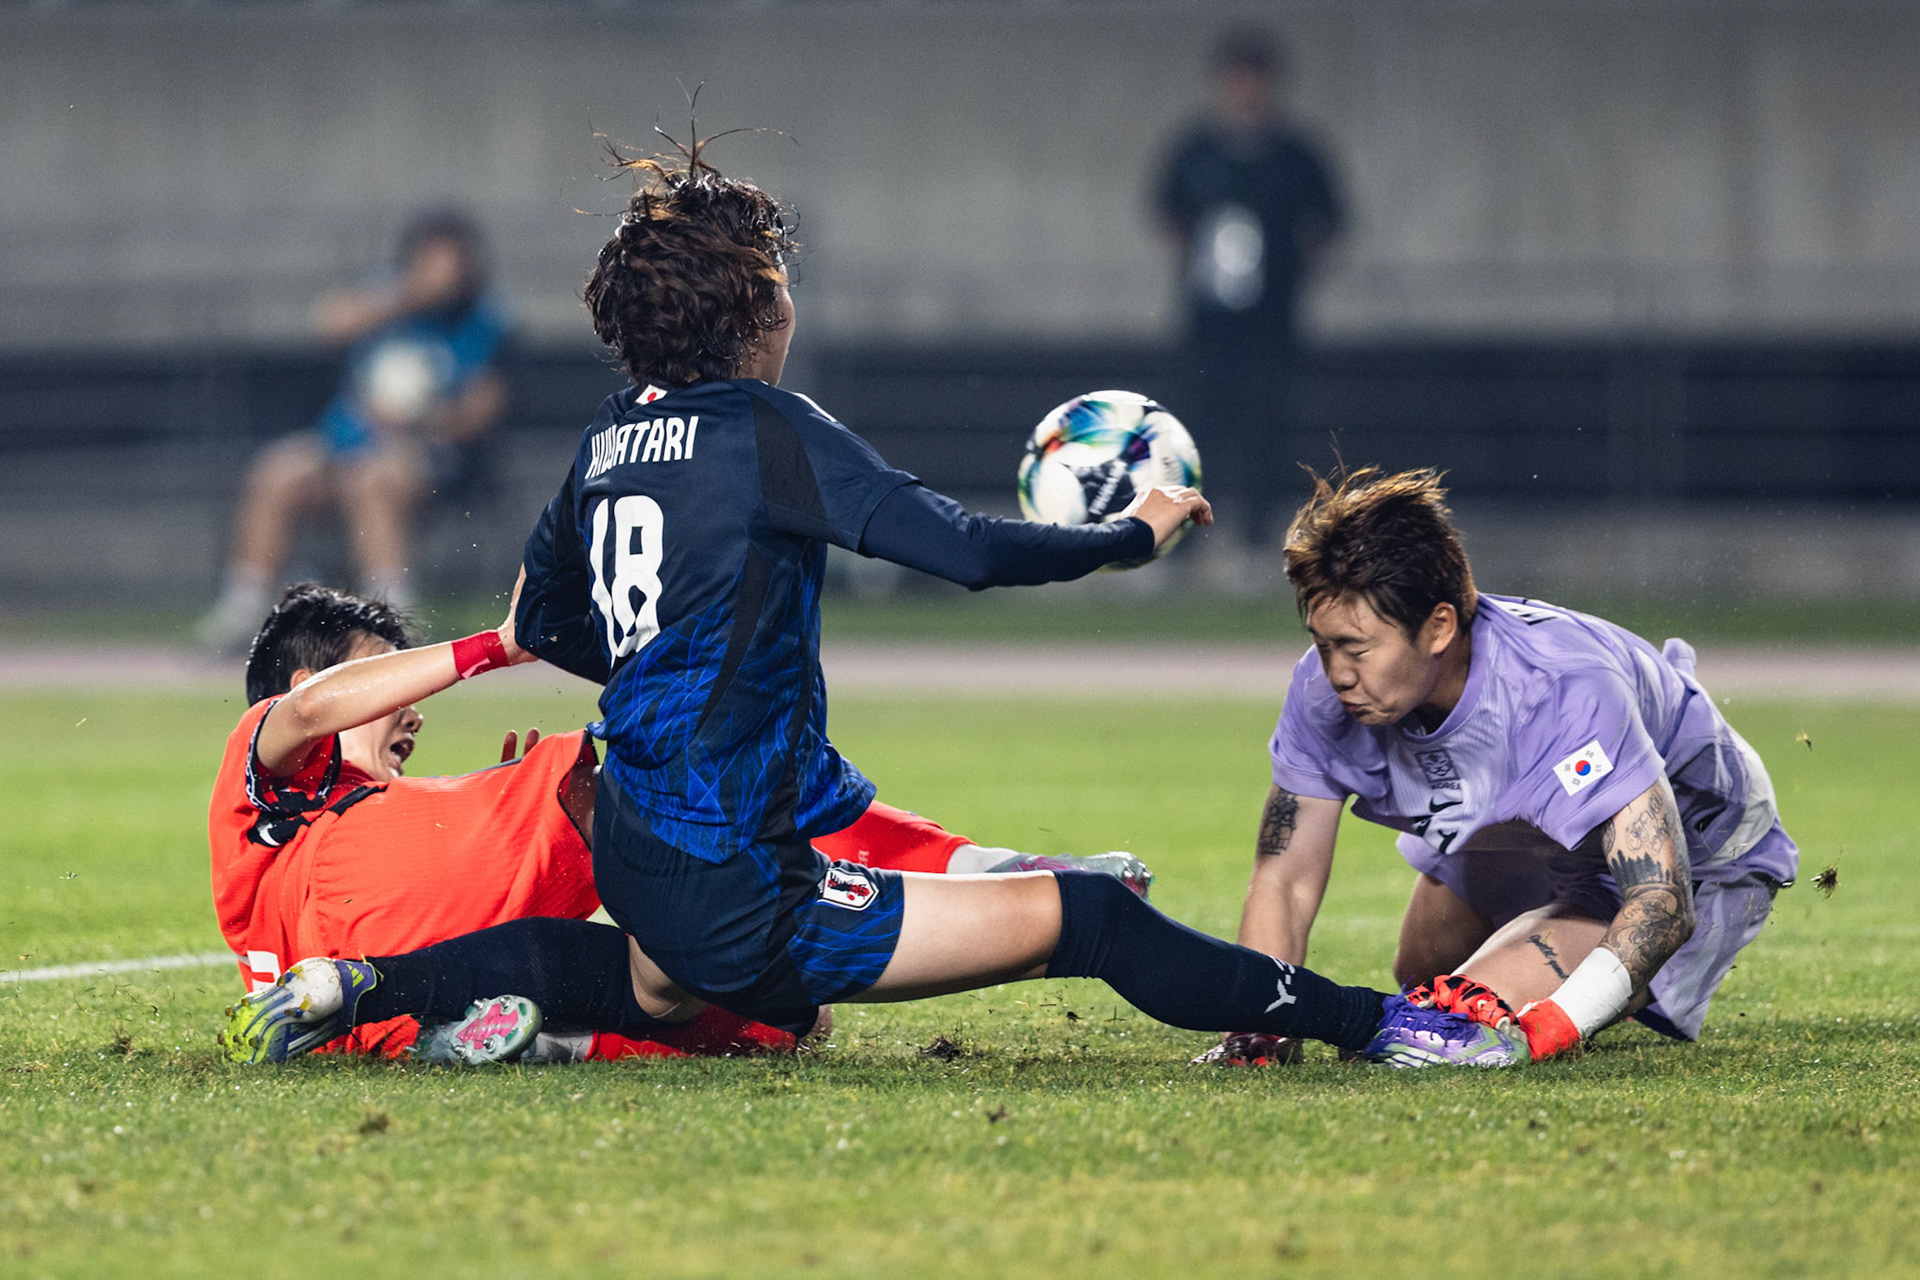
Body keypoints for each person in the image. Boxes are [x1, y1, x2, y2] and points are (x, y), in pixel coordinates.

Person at [222, 142, 1473, 1072]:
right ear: (755, 311)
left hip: (634, 838)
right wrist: (1124, 535)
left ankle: (363, 982)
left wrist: (668, 639)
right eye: (780, 285)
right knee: (1090, 915)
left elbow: (547, 623)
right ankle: (1386, 1026)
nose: (789, 305)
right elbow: (970, 552)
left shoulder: (602, 444)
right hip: (729, 875)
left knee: (653, 986)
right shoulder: (769, 429)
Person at [212, 583, 1150, 1063]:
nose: (409, 707)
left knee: (790, 1017)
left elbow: (426, 872)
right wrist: (497, 645)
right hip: (389, 937)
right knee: (692, 757)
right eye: (386, 680)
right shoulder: (266, 766)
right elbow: (311, 715)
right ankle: (995, 875)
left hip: (389, 994)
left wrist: (468, 810)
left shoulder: (314, 830)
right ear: (316, 683)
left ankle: (513, 1039)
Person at [1199, 467, 1798, 1067]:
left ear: (1438, 627)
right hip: (1527, 832)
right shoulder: (1324, 690)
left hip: (1698, 853)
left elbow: (1661, 903)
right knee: (1420, 974)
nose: (1337, 673)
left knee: (1450, 1018)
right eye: (1323, 644)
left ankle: (1580, 981)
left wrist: (1563, 1022)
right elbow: (1286, 877)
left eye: (1356, 648)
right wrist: (1259, 1030)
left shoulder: (1561, 689)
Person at [198, 209, 510, 651]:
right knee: (279, 470)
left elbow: (480, 412)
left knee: (373, 478)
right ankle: (241, 610)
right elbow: (328, 323)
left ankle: (393, 621)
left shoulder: (485, 321)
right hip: (342, 448)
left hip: (423, 459)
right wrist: (407, 297)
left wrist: (414, 419)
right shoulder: (386, 298)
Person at [1154, 28, 1345, 556]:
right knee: (1195, 424)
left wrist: (1290, 266)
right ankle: (1185, 539)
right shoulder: (1196, 151)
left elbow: (1327, 221)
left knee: (1267, 424)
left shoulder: (1295, 154)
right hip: (1208, 320)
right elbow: (1167, 214)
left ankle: (1257, 537)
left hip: (1271, 319)